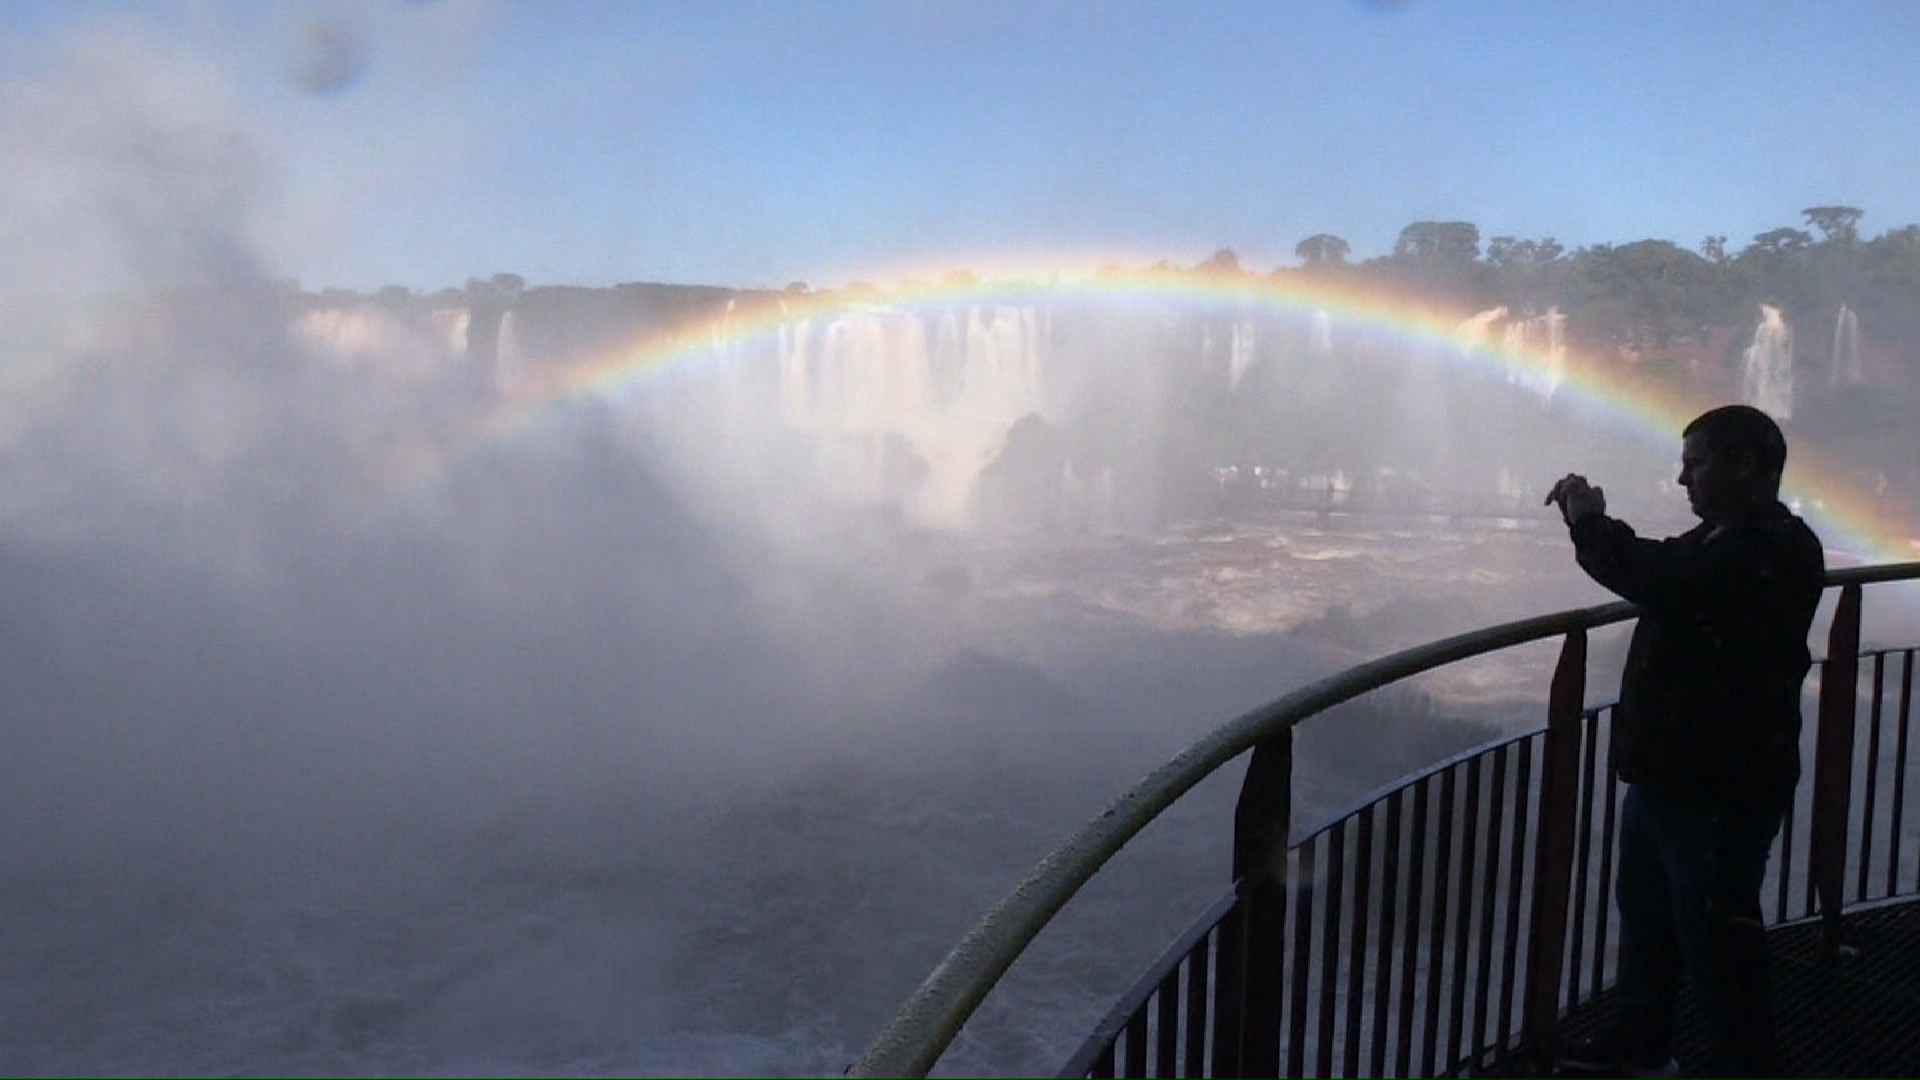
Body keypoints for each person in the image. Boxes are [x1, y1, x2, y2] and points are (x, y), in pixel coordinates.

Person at [1543, 404, 1824, 1077]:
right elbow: (1666, 566)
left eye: (1694, 463)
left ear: (1745, 465)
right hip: (1672, 777)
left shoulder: (1765, 551)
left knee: (1716, 939)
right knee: (1650, 918)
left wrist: (1588, 521)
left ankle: (1739, 1067)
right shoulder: (1729, 539)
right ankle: (1640, 1045)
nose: (1681, 479)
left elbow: (1658, 576)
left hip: (1718, 786)